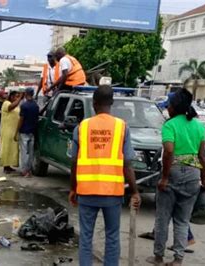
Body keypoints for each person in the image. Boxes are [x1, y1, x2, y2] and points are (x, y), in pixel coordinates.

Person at [68, 85, 141, 266]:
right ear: (112, 103)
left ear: (94, 104)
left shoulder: (82, 127)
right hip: (112, 193)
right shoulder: (121, 127)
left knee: (85, 237)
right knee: (112, 237)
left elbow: (74, 162)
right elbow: (128, 164)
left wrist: (73, 188)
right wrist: (135, 191)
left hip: (86, 192)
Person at [148, 88, 205, 266]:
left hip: (173, 172)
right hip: (193, 174)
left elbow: (168, 152)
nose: (167, 108)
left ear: (174, 107)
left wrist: (164, 178)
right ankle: (177, 259)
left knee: (162, 218)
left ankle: (158, 257)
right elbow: (202, 155)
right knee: (182, 220)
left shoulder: (170, 125)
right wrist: (204, 178)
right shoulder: (198, 125)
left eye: (169, 106)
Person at [16, 88, 39, 177]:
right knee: (31, 152)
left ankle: (24, 170)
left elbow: (21, 119)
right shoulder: (36, 106)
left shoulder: (24, 106)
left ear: (25, 94)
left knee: (24, 152)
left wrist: (17, 131)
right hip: (32, 132)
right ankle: (29, 170)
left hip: (24, 131)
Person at [0, 90, 23, 174]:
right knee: (7, 148)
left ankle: (9, 166)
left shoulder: (16, 105)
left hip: (14, 130)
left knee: (13, 149)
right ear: (12, 97)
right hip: (7, 130)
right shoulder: (6, 103)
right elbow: (11, 107)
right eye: (16, 96)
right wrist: (20, 98)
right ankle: (5, 166)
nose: (17, 98)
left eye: (18, 96)